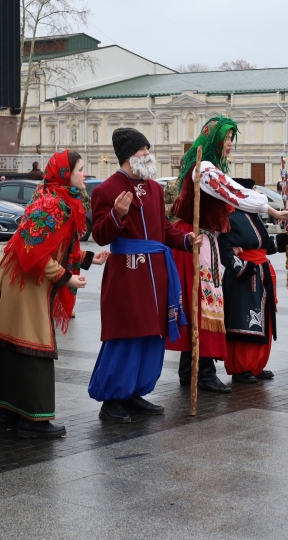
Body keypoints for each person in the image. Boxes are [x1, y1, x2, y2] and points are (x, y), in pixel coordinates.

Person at [0, 150, 107, 437]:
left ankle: (8, 415)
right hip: (22, 280)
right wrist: (64, 276)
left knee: (12, 344)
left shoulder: (57, 198)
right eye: (81, 169)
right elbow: (31, 249)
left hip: (18, 277)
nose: (85, 173)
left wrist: (85, 258)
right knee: (32, 344)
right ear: (65, 174)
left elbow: (53, 244)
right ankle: (34, 421)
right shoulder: (53, 204)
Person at [167, 117, 288, 393]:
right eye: (225, 138)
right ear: (213, 140)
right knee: (203, 305)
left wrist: (270, 212)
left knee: (202, 304)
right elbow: (237, 195)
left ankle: (191, 370)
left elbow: (236, 196)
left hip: (205, 238)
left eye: (231, 138)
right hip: (196, 238)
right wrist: (268, 206)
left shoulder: (209, 167)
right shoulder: (205, 168)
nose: (230, 144)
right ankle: (202, 372)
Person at [88, 127, 200, 423]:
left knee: (152, 336)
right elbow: (100, 234)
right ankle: (112, 398)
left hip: (158, 273)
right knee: (126, 336)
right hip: (128, 274)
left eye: (148, 150)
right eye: (143, 151)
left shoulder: (154, 188)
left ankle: (135, 391)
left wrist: (186, 240)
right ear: (128, 155)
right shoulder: (106, 190)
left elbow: (163, 230)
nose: (148, 155)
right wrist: (117, 216)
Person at [218, 178, 288, 384]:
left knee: (262, 321)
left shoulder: (254, 215)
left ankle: (256, 364)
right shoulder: (232, 216)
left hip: (261, 275)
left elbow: (263, 244)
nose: (257, 193)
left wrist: (280, 242)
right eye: (252, 190)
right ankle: (240, 367)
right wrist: (242, 268)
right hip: (244, 278)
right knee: (244, 320)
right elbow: (224, 247)